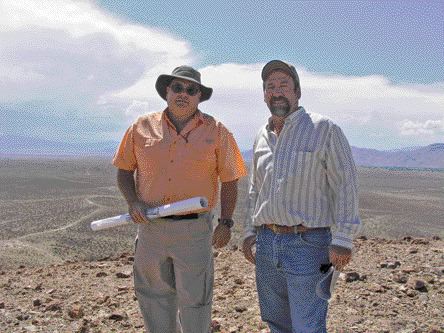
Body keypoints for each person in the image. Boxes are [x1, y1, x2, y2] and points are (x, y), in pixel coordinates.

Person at [113, 65, 247, 333]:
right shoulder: (140, 127)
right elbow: (124, 170)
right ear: (166, 91)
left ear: (199, 96)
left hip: (194, 231)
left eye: (191, 89)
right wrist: (133, 202)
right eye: (177, 87)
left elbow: (230, 180)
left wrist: (226, 222)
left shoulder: (217, 131)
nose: (183, 93)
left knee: (196, 301)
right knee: (153, 299)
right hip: (151, 229)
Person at [242, 60, 361, 333]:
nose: (277, 91)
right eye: (270, 86)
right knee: (276, 323)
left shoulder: (324, 129)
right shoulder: (261, 136)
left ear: (297, 92)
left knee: (308, 325)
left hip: (308, 244)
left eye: (284, 85)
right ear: (264, 95)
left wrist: (343, 238)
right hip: (267, 242)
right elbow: (255, 190)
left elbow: (345, 184)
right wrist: (249, 231)